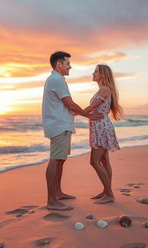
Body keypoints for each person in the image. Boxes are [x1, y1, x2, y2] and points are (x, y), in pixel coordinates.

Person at [42, 51, 103, 211]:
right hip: (58, 125)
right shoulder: (56, 80)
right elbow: (69, 103)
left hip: (61, 124)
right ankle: (51, 201)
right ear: (59, 64)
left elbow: (67, 105)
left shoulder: (56, 79)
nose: (70, 66)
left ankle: (57, 193)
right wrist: (88, 115)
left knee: (60, 159)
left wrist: (81, 113)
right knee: (55, 159)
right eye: (67, 63)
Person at [84, 64, 123, 204]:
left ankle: (109, 194)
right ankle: (106, 191)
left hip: (101, 126)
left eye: (96, 72)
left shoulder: (104, 89)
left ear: (102, 75)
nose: (93, 73)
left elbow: (91, 107)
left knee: (94, 161)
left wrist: (72, 112)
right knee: (104, 160)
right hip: (100, 125)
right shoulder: (103, 89)